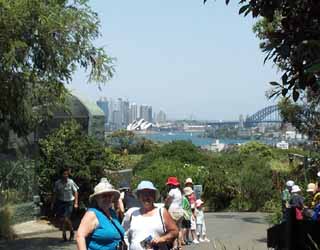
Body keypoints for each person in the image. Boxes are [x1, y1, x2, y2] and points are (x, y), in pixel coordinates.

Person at [122, 180, 178, 250]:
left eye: (149, 194)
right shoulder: (131, 213)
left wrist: (163, 238)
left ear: (154, 197)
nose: (146, 197)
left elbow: (175, 231)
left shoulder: (162, 212)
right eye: (143, 195)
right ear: (138, 197)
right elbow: (124, 234)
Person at [76, 178, 125, 250]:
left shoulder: (112, 213)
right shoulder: (92, 214)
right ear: (96, 198)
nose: (108, 198)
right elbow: (80, 237)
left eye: (110, 195)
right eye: (104, 196)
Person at [51, 167, 79, 241]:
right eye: (64, 174)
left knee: (66, 218)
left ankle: (72, 231)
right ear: (61, 175)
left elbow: (76, 192)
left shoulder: (71, 182)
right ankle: (64, 235)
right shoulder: (57, 183)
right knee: (62, 219)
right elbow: (55, 193)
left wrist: (76, 203)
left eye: (67, 174)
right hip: (61, 202)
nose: (66, 176)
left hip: (69, 202)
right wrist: (53, 203)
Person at [165, 177, 184, 250]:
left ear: (171, 185)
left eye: (169, 184)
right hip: (180, 211)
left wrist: (165, 204)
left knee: (172, 229)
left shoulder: (172, 191)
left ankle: (174, 245)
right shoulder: (180, 191)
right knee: (179, 229)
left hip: (173, 211)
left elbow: (167, 200)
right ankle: (180, 246)